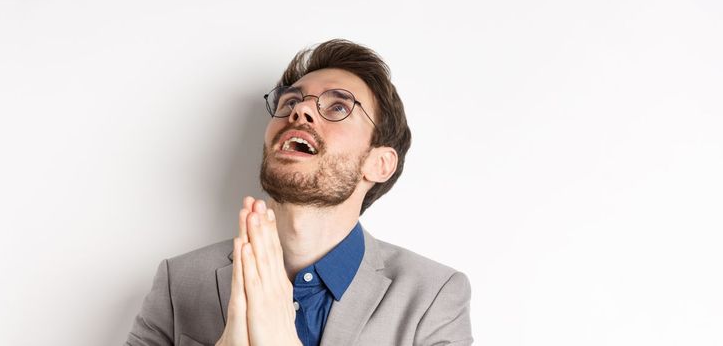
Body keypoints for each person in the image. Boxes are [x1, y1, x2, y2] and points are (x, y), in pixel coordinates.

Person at [124, 39, 472, 346]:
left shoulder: (432, 296)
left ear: (378, 164)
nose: (299, 110)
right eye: (290, 102)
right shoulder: (179, 280)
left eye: (338, 106)